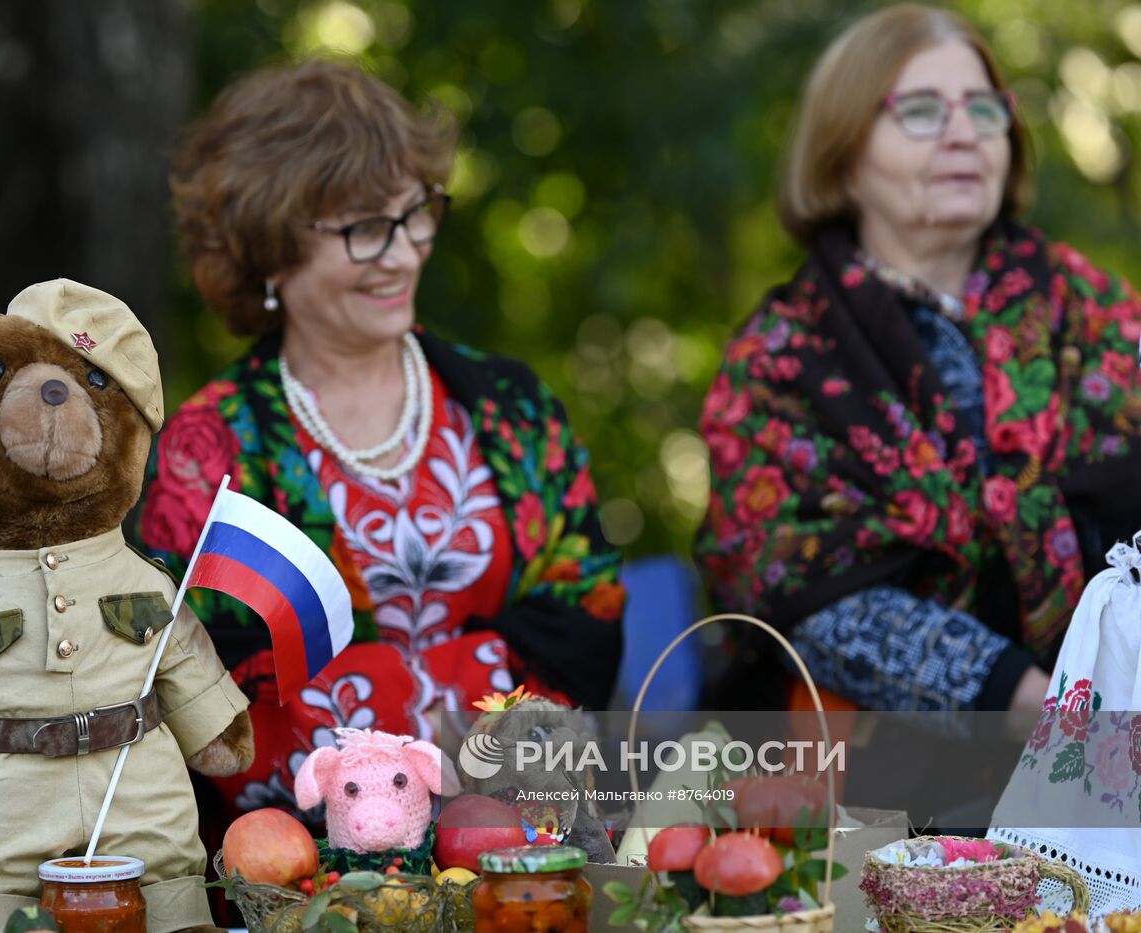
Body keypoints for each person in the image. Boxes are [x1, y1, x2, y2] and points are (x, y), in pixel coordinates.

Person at [135, 59, 624, 819]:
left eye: (415, 212)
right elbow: (193, 682)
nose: (403, 252)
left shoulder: (512, 408)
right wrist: (381, 781)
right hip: (305, 867)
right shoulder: (210, 445)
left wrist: (468, 764)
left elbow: (586, 615)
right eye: (366, 228)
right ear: (268, 244)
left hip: (518, 840)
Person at [696, 4, 1141, 714]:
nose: (964, 133)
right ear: (843, 159)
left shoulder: (1093, 310)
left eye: (984, 109)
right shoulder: (782, 358)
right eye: (924, 111)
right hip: (889, 777)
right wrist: (1035, 700)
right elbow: (801, 594)